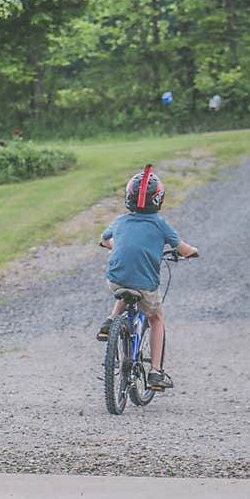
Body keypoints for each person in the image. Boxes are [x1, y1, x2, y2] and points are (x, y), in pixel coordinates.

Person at [96, 164, 198, 390]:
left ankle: (111, 321)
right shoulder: (160, 224)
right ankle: (155, 372)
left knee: (126, 284)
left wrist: (116, 246)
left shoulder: (121, 221)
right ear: (158, 199)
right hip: (145, 286)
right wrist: (192, 252)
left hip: (115, 280)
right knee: (156, 317)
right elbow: (184, 249)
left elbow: (104, 240)